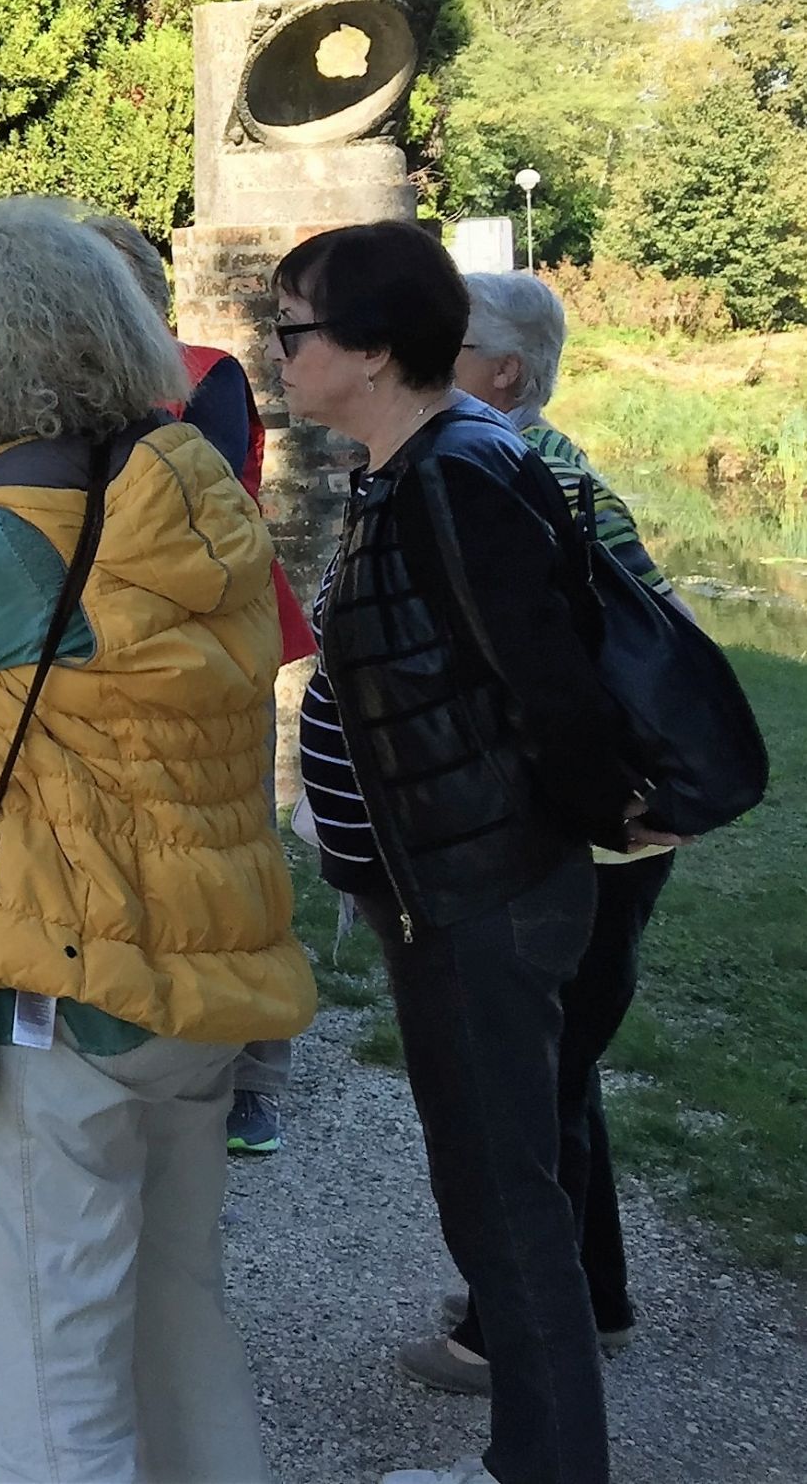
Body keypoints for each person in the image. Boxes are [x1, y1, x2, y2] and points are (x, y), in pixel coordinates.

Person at [0, 195, 313, 1484]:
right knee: (174, 1314)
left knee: (48, 1349)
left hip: (67, 979)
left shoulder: (3, 537)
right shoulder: (182, 486)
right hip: (199, 962)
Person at [271, 222, 650, 1484]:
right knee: (488, 1186)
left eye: (295, 329)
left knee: (503, 1197)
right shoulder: (412, 465)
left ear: (373, 348)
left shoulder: (456, 473)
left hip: (477, 891)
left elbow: (550, 686)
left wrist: (577, 821)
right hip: (444, 885)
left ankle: (540, 1466)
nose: (278, 353)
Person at [392, 268, 681, 1400]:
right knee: (560, 1072)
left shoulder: (511, 476)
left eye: (453, 344)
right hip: (603, 830)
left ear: (503, 373)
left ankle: (505, 1335)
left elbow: (579, 673)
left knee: (525, 1087)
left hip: (583, 835)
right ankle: (593, 1298)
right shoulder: (541, 464)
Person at [82, 210, 317, 1158]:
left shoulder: (204, 375)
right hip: (113, 649)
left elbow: (203, 518)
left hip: (215, 644)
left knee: (234, 846)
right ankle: (149, 1028)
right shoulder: (59, 395)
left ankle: (254, 1072)